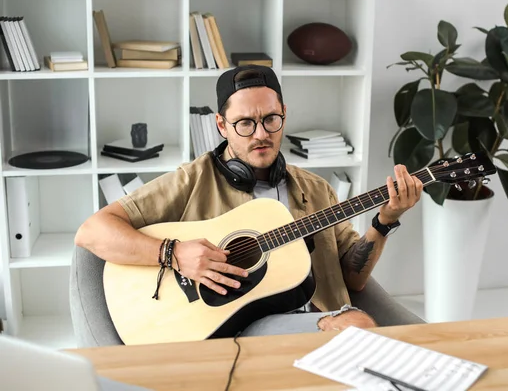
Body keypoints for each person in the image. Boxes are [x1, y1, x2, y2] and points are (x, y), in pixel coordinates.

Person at [74, 64, 423, 339]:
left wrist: (385, 220)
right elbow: (92, 232)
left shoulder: (316, 190)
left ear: (284, 113)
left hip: (318, 315)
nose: (261, 134)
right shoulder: (191, 180)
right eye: (244, 123)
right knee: (356, 328)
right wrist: (173, 253)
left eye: (271, 119)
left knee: (360, 331)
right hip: (235, 325)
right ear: (221, 126)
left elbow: (354, 280)